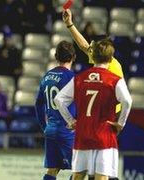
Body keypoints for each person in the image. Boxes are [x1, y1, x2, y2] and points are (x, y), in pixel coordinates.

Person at [54, 39, 132, 180]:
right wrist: (121, 123)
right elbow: (127, 101)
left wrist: (71, 120)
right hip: (104, 135)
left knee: (78, 175)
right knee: (101, 177)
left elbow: (59, 100)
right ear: (110, 58)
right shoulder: (115, 80)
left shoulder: (79, 78)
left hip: (82, 134)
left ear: (93, 57)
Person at [35, 41, 76, 180]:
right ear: (73, 57)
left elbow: (38, 104)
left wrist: (45, 127)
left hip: (51, 130)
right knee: (80, 169)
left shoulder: (46, 76)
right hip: (67, 131)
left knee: (53, 169)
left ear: (55, 56)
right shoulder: (72, 78)